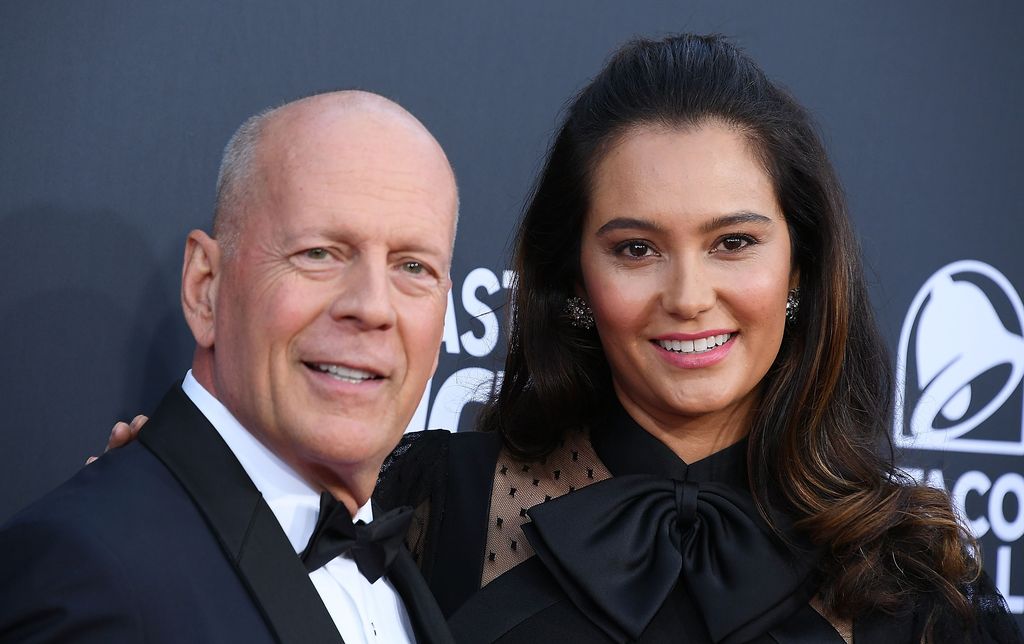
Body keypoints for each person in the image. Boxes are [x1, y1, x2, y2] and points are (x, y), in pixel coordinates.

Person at [373, 34, 1023, 643]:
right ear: (574, 281)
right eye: (636, 249)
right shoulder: (434, 504)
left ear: (800, 266)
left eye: (732, 243)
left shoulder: (916, 573)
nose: (688, 297)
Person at [0, 91, 457, 644]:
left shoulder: (419, 576)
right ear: (205, 289)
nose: (373, 307)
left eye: (413, 266)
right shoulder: (88, 571)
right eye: (319, 253)